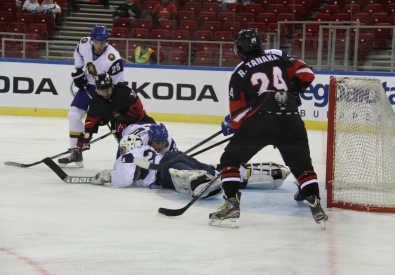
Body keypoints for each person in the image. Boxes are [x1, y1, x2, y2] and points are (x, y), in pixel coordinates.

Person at [208, 28, 328, 228]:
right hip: (291, 119)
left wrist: (234, 124)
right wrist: (294, 92)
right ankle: (316, 205)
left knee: (229, 159)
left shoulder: (240, 71)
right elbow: (307, 73)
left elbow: (238, 117)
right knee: (303, 167)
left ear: (241, 48)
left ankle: (231, 205)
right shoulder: (278, 59)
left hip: (261, 124)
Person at [91, 134, 290, 199]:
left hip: (165, 170)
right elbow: (144, 166)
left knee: (187, 175)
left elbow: (126, 178)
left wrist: (109, 177)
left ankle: (203, 181)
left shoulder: (129, 157)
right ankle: (243, 174)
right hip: (173, 157)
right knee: (213, 168)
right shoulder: (143, 152)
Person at [58, 25, 124, 168]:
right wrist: (78, 69)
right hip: (88, 86)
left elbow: (118, 84)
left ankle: (126, 156)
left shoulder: (113, 58)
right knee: (74, 115)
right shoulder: (84, 43)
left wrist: (108, 104)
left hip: (106, 91)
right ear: (92, 40)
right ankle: (75, 152)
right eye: (97, 42)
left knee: (116, 125)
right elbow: (77, 52)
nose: (100, 46)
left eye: (103, 42)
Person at [74, 73, 156, 160]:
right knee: (126, 149)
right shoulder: (96, 101)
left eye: (108, 90)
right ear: (98, 90)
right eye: (102, 91)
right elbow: (91, 120)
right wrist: (86, 138)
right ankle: (126, 165)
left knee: (155, 138)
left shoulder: (124, 92)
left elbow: (138, 110)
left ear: (112, 86)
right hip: (120, 126)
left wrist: (123, 120)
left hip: (141, 121)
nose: (106, 93)